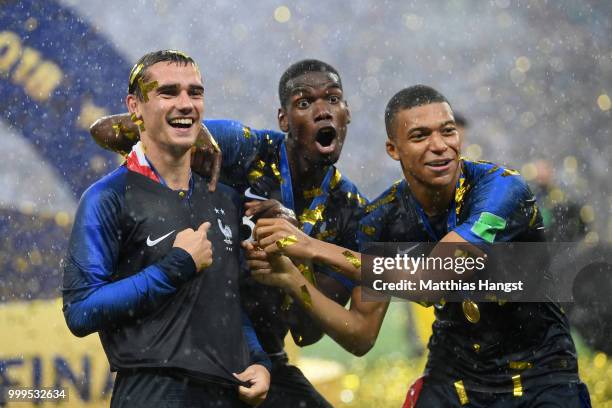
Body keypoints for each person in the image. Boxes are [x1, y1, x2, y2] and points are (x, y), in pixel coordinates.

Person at [250, 85, 592, 407]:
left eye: (447, 131)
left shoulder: (503, 190)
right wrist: (290, 278)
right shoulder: (381, 217)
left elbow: (433, 281)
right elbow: (360, 336)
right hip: (453, 376)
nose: (440, 144)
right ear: (392, 149)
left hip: (541, 375)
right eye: (420, 136)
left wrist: (313, 247)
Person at [90, 59, 368, 407]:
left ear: (347, 113)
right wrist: (190, 136)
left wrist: (294, 263)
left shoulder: (353, 211)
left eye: (333, 99)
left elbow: (308, 333)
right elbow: (103, 131)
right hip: (184, 345)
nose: (322, 111)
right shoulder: (247, 147)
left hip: (263, 359)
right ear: (283, 119)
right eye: (304, 102)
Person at [62, 50, 270, 408]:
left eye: (195, 92)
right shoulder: (106, 198)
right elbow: (81, 311)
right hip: (153, 393)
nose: (186, 103)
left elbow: (225, 303)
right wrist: (176, 267)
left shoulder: (225, 200)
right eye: (169, 92)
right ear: (135, 106)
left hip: (230, 393)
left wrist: (258, 360)